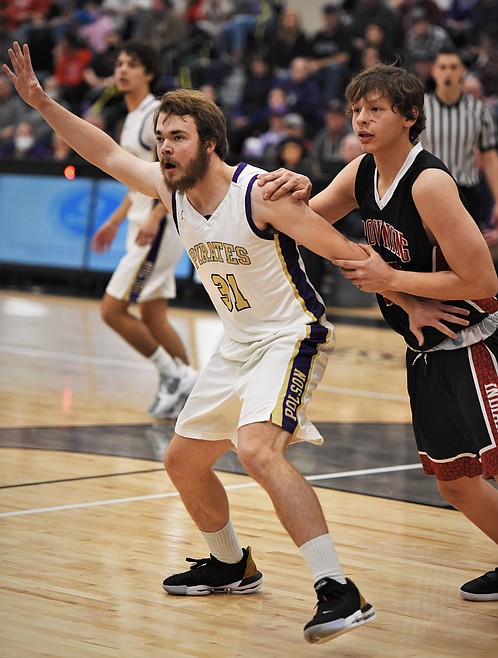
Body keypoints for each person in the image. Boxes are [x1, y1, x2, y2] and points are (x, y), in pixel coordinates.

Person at [3, 40, 382, 645]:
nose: (164, 148)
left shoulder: (259, 195)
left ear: (210, 144)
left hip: (291, 333)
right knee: (181, 460)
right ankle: (231, 565)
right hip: (237, 343)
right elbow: (103, 151)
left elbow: (348, 254)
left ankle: (339, 588)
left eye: (177, 137)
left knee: (257, 451)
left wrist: (415, 298)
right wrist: (42, 102)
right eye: (160, 138)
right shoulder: (171, 192)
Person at [257, 62, 498, 602]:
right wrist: (297, 187)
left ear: (409, 116)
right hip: (426, 346)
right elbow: (306, 223)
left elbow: (483, 280)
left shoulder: (429, 183)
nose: (361, 120)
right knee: (456, 482)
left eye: (376, 110)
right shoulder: (360, 172)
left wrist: (391, 280)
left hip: (479, 339)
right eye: (356, 110)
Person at [90, 39, 196, 420]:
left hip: (160, 224)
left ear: (148, 72)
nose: (122, 70)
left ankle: (175, 375)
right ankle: (194, 393)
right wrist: (115, 220)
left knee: (112, 310)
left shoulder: (156, 114)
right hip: (144, 220)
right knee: (152, 314)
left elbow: (173, 174)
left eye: (131, 64)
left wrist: (155, 216)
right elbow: (139, 181)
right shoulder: (132, 117)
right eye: (118, 63)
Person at [420, 46, 498, 244]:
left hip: (467, 192)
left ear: (462, 71)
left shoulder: (479, 110)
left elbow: (489, 158)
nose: (448, 72)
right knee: (429, 253)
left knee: (468, 254)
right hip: (428, 192)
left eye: (454, 67)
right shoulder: (420, 109)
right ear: (434, 70)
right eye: (443, 67)